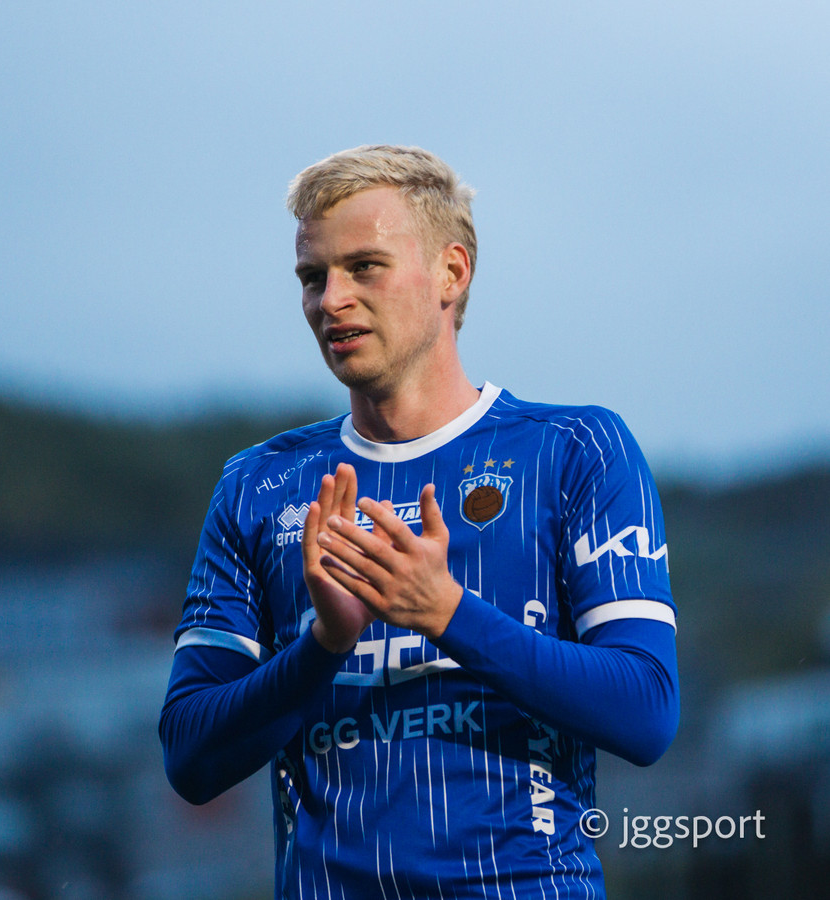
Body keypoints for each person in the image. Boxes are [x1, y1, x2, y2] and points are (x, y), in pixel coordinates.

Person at [159, 145, 679, 899]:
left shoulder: (576, 452)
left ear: (451, 273)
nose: (331, 299)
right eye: (313, 277)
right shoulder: (257, 486)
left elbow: (646, 710)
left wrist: (446, 613)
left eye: (364, 267)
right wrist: (323, 646)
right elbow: (190, 757)